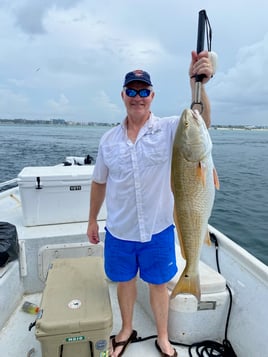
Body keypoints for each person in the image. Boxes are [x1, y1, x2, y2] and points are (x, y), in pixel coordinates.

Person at [87, 51, 214, 357]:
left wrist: (198, 83)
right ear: (123, 95)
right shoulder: (108, 141)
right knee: (124, 282)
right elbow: (99, 181)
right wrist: (92, 219)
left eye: (144, 91)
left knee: (159, 285)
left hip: (159, 228)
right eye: (132, 91)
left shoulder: (171, 128)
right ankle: (126, 328)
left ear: (152, 96)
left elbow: (202, 122)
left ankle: (164, 337)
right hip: (120, 230)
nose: (138, 97)